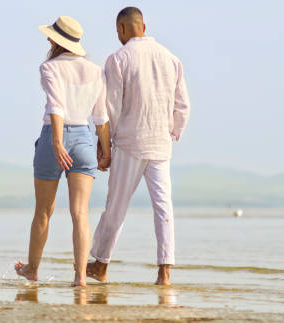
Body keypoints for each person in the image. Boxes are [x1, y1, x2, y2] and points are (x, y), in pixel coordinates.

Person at [87, 7, 191, 285]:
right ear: (143, 26)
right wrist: (173, 131)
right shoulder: (171, 58)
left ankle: (100, 265)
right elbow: (183, 106)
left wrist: (105, 147)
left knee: (116, 207)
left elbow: (112, 107)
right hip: (160, 144)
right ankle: (164, 273)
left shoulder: (118, 58)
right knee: (163, 207)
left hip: (129, 142)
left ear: (122, 29)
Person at [15, 16, 111, 287]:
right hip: (84, 139)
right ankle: (80, 277)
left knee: (43, 211)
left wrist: (57, 143)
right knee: (80, 213)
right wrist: (105, 149)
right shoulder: (95, 70)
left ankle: (32, 270)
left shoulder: (49, 67)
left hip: (52, 138)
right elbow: (101, 117)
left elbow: (56, 107)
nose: (48, 39)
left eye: (51, 36)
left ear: (57, 41)